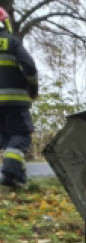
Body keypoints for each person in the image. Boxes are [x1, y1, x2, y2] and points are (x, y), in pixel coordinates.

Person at [0, 7, 38, 189]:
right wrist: (33, 87)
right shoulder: (11, 42)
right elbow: (29, 66)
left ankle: (17, 179)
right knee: (21, 135)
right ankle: (9, 171)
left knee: (8, 139)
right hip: (14, 102)